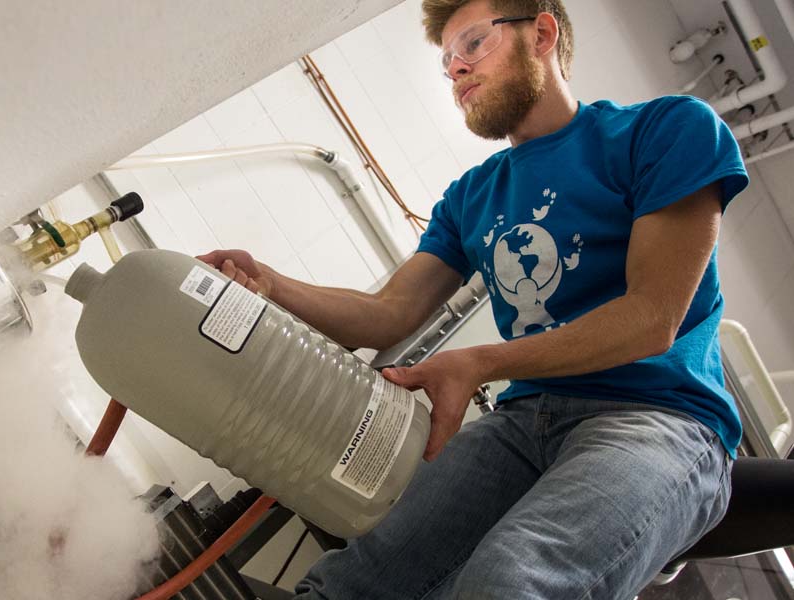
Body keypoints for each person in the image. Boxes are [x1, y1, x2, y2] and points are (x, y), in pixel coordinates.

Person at [198, 0, 750, 597]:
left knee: (509, 581)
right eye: (447, 62)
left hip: (659, 420)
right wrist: (274, 285)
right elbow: (389, 312)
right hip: (525, 421)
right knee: (351, 584)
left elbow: (651, 319)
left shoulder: (665, 130)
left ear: (540, 32)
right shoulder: (472, 196)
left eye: (473, 44)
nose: (456, 69)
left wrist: (483, 361)